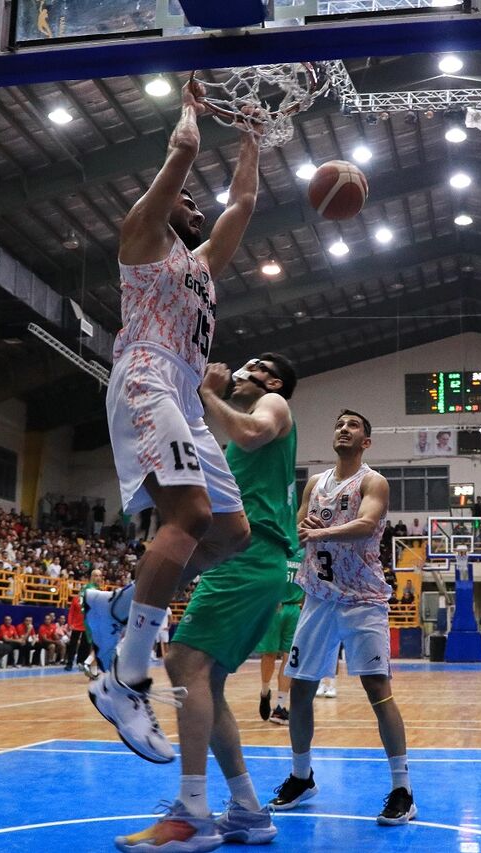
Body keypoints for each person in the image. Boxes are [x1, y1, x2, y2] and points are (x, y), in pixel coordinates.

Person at [86, 77, 261, 772]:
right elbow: (184, 150)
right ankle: (125, 680)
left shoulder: (203, 268)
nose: (194, 203)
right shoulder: (141, 240)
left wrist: (255, 134)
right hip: (145, 374)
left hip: (184, 396)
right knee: (186, 515)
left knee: (231, 531)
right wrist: (192, 103)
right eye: (186, 199)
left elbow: (243, 201)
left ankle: (123, 605)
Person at [98, 351, 300, 849]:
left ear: (271, 379)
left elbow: (253, 432)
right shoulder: (227, 449)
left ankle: (191, 816)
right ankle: (249, 811)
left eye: (252, 364)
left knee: (185, 663)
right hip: (245, 562)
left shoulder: (273, 403)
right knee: (205, 682)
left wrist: (207, 394)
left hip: (251, 558)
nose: (239, 369)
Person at [269, 410, 416, 826]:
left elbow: (368, 523)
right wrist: (304, 525)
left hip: (362, 600)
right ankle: (302, 777)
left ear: (366, 441)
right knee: (300, 689)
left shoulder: (373, 481)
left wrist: (322, 533)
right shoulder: (315, 483)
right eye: (339, 424)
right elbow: (296, 526)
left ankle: (402, 789)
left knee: (377, 689)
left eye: (353, 425)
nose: (343, 429)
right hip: (318, 597)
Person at [258, 548, 304, 726]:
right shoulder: (275, 547)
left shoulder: (304, 552)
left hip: (294, 608)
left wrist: (304, 604)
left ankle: (280, 707)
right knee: (269, 654)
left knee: (289, 657)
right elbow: (262, 576)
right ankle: (264, 692)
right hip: (273, 606)